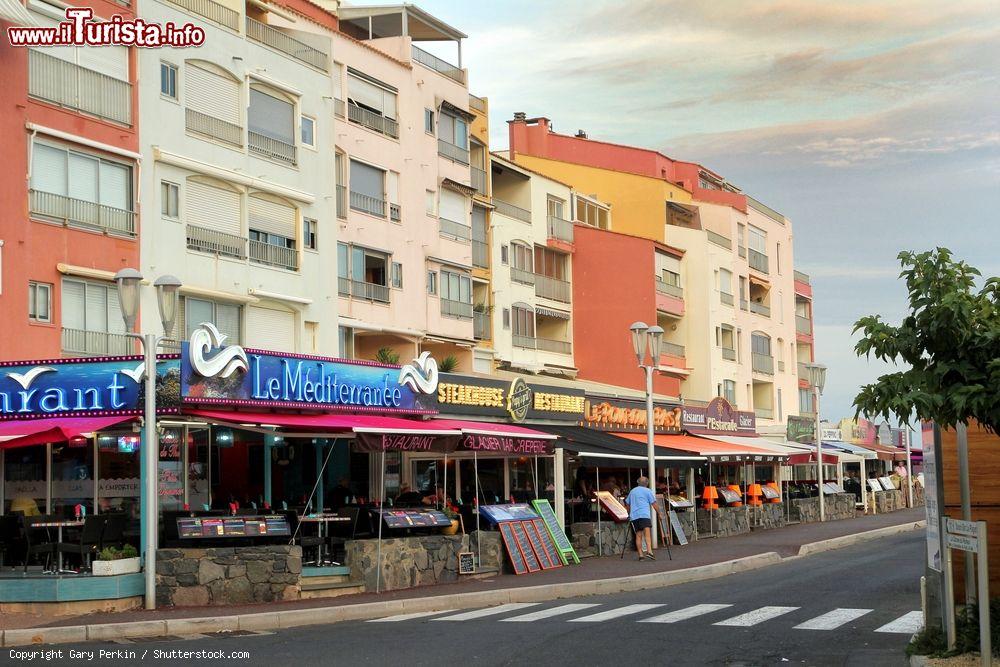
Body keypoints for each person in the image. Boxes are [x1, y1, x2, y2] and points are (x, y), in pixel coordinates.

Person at [624, 476, 658, 561]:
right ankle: (649, 552)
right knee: (647, 533)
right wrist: (659, 514)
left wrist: (629, 512)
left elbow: (627, 503)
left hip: (634, 516)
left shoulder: (632, 491)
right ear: (647, 483)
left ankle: (640, 555)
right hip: (644, 514)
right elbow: (654, 503)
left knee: (638, 535)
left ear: (638, 482)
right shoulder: (648, 491)